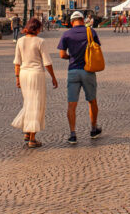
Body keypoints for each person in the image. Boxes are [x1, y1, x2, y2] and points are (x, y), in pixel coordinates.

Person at [12, 18, 58, 148]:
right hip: (36, 74)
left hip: (23, 74)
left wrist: (17, 78)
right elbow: (47, 62)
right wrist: (53, 77)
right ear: (37, 28)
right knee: (35, 104)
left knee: (28, 102)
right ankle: (32, 138)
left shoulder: (20, 41)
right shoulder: (40, 42)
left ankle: (27, 132)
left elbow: (17, 62)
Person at [58, 11, 102, 144]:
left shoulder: (66, 34)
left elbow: (61, 55)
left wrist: (70, 57)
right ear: (83, 20)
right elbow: (97, 48)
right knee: (92, 100)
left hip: (73, 71)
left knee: (72, 104)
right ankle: (94, 129)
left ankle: (73, 134)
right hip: (88, 70)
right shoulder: (91, 32)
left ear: (72, 22)